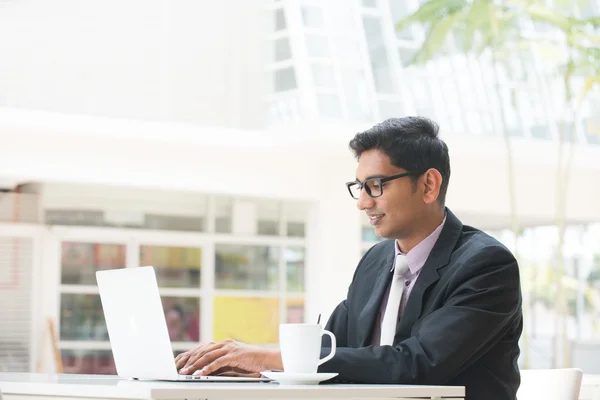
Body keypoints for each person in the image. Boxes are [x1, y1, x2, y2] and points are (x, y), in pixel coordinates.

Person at [174, 117, 523, 400]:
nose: (362, 203)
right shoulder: (375, 261)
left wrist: (267, 359)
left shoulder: (487, 265)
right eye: (359, 188)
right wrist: (252, 365)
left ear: (429, 185)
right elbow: (330, 349)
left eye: (376, 185)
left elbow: (418, 364)